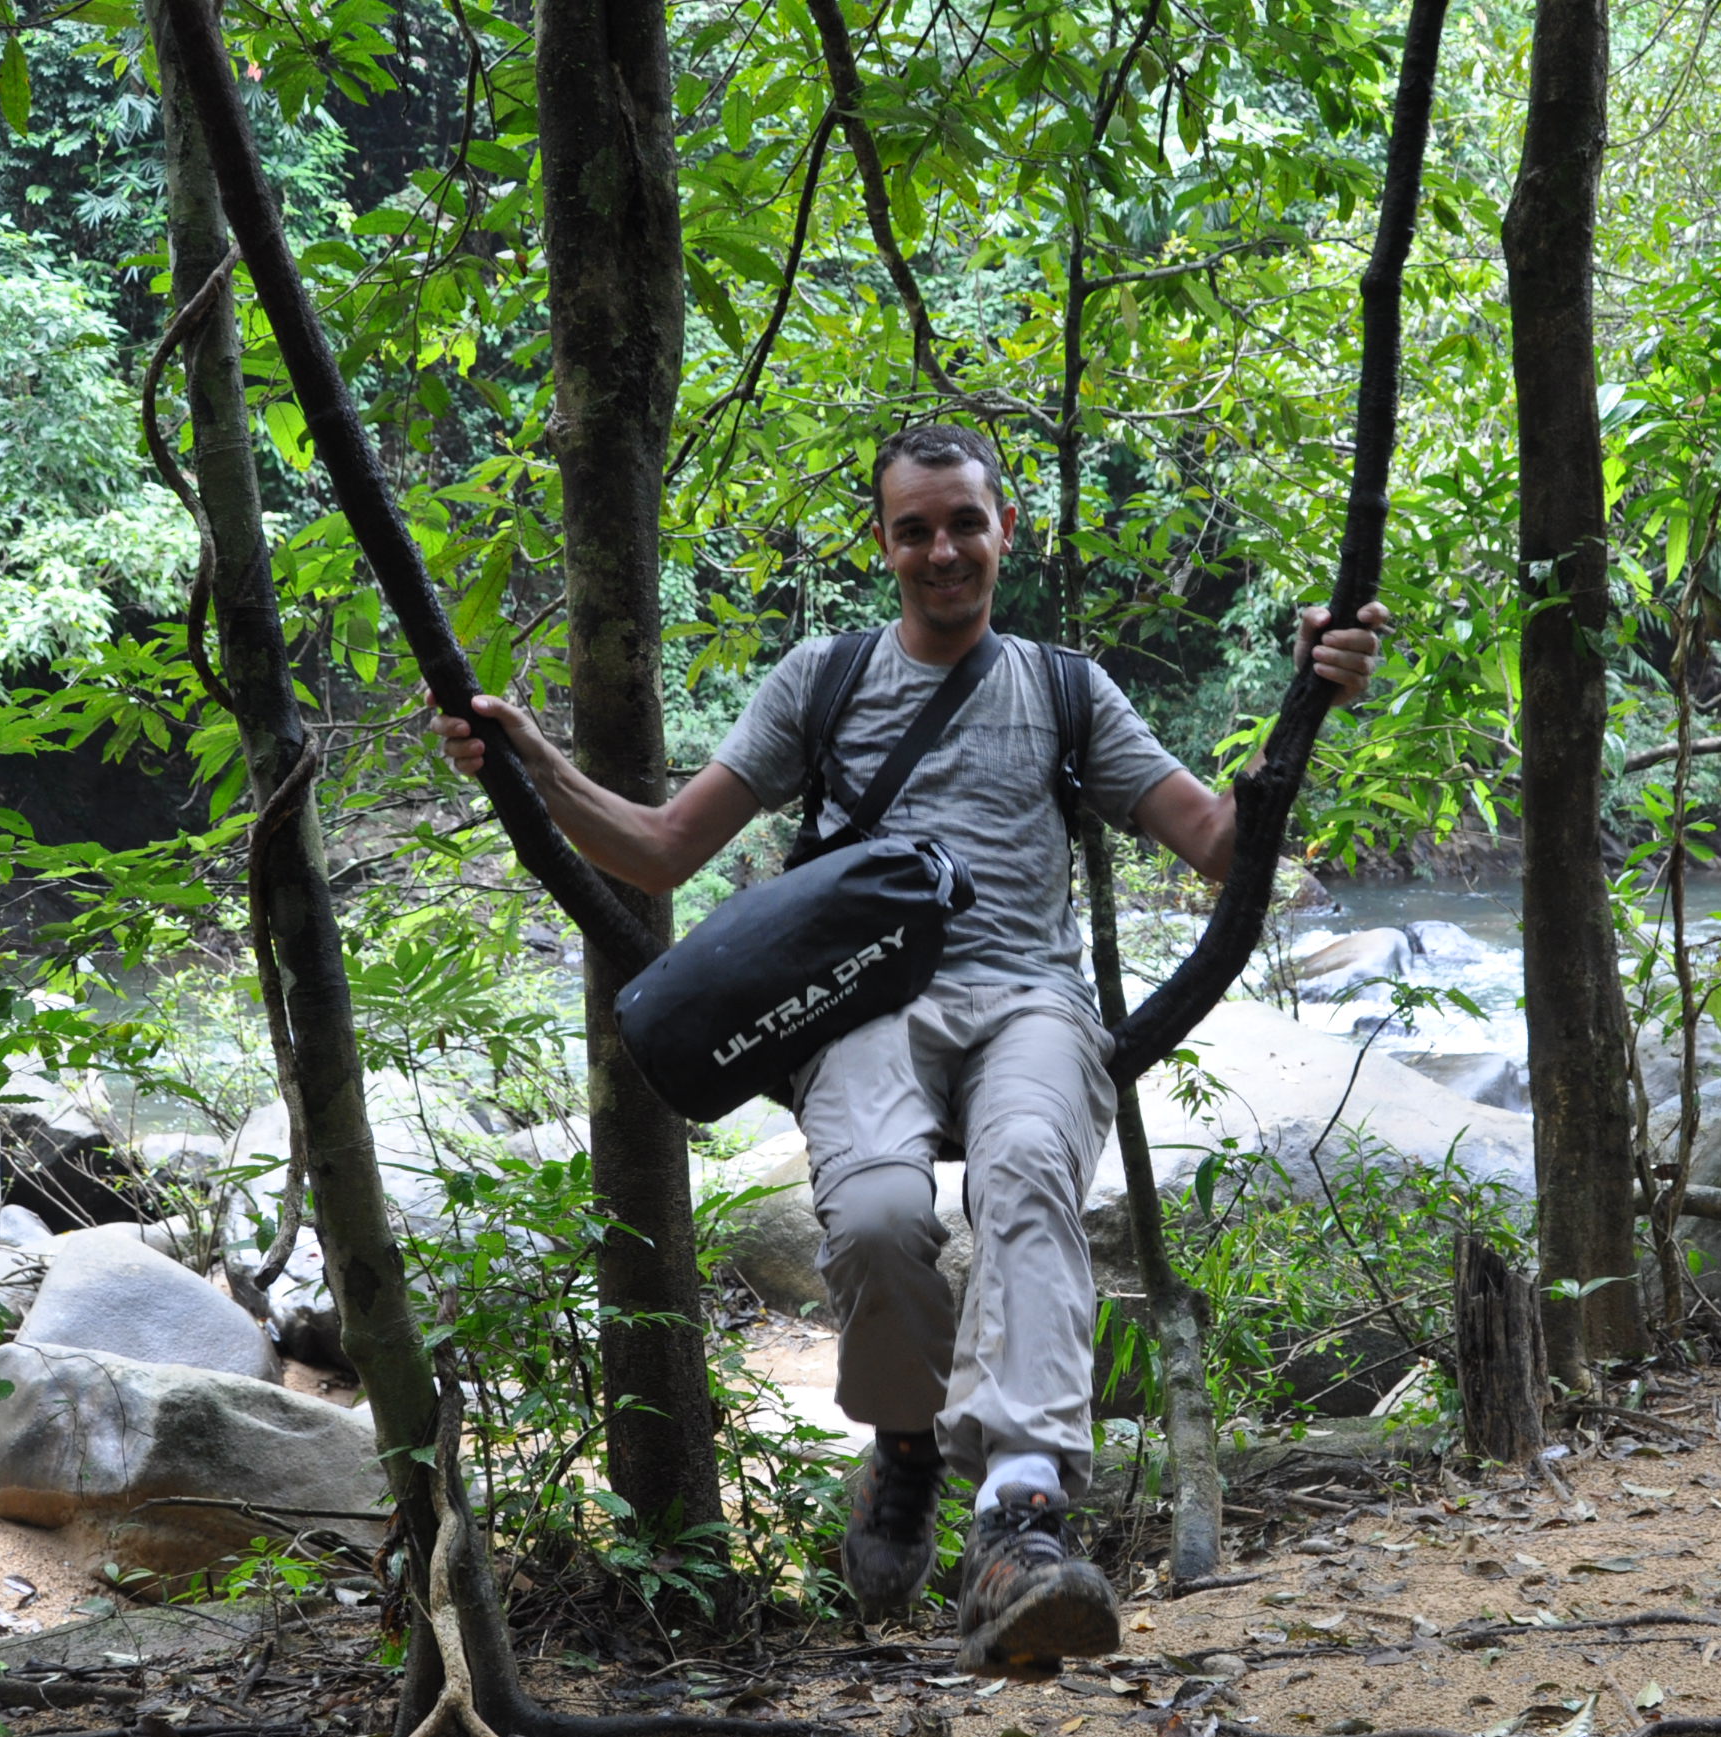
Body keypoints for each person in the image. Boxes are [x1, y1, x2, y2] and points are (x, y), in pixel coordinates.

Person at [433, 421, 1385, 1673]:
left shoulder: (1062, 688)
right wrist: (531, 764)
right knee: (879, 1217)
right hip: (864, 1005)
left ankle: (1021, 1517)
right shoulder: (821, 682)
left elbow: (1214, 840)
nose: (944, 550)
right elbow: (662, 848)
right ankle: (906, 1442)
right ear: (883, 545)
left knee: (1030, 1171)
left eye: (965, 524)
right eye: (916, 529)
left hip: (1028, 1001)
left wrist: (1309, 694)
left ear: (1005, 530)